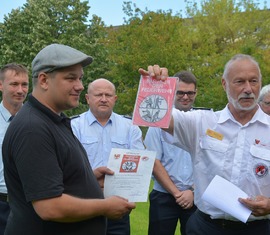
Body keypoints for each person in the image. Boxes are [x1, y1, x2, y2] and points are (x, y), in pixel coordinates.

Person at [2, 44, 135, 235]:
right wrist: (105, 207)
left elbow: (52, 176)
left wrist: (86, 178)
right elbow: (49, 206)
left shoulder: (53, 119)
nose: (80, 86)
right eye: (71, 78)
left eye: (80, 78)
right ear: (44, 80)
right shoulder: (33, 128)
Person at [139, 54, 270, 235]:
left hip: (258, 229)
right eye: (239, 82)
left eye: (253, 81)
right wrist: (156, 87)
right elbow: (154, 116)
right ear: (224, 84)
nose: (248, 89)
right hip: (206, 227)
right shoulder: (202, 122)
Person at [71, 78, 145, 235]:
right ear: (87, 98)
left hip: (118, 205)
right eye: (98, 95)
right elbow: (70, 168)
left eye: (108, 95)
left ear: (115, 99)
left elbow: (140, 167)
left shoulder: (130, 127)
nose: (103, 99)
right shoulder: (74, 126)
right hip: (84, 204)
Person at [144, 71, 198, 235]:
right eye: (180, 92)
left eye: (190, 93)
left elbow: (209, 161)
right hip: (164, 196)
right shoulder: (157, 121)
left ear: (196, 93)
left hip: (194, 196)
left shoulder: (202, 121)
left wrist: (193, 192)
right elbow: (154, 161)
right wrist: (176, 193)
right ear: (172, 92)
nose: (185, 97)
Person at [0, 63, 29, 235]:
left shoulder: (37, 121)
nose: (20, 90)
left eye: (24, 84)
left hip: (28, 205)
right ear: (1, 85)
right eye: (14, 84)